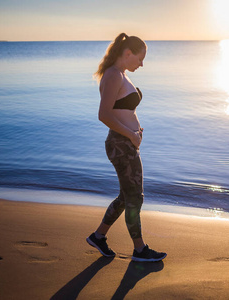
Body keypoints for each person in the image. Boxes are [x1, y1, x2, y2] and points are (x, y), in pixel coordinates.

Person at [86, 33, 166, 262]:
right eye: (140, 58)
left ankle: (98, 236)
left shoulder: (119, 74)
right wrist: (131, 134)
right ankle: (140, 249)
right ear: (128, 53)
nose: (142, 64)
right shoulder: (113, 75)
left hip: (125, 143)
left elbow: (122, 111)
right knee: (135, 198)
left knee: (126, 196)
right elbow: (104, 114)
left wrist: (134, 132)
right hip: (121, 145)